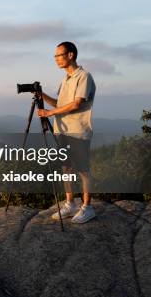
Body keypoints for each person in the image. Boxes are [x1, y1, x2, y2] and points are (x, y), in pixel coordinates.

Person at [37, 41, 97, 224]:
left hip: (78, 131)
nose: (56, 59)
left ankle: (87, 207)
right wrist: (42, 96)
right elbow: (60, 104)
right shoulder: (65, 80)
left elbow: (76, 104)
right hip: (62, 131)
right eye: (54, 56)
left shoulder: (84, 76)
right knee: (66, 168)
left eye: (58, 55)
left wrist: (49, 113)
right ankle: (70, 203)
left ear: (70, 55)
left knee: (83, 171)